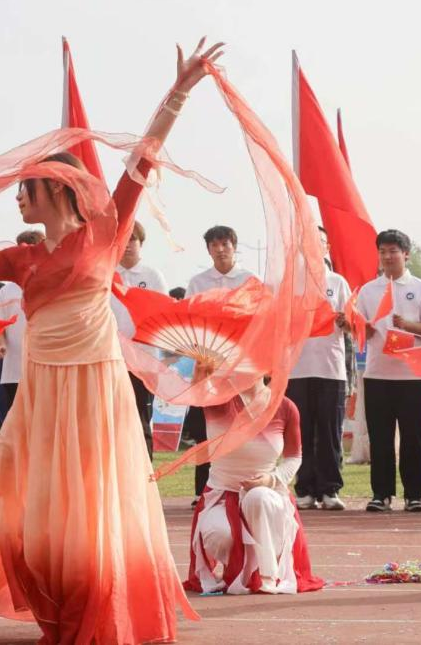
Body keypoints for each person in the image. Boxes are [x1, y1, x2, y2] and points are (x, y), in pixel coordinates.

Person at [0, 39, 221, 640]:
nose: (16, 198)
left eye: (25, 189)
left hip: (98, 393)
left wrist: (180, 91)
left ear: (57, 188)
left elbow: (143, 159)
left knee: (92, 507)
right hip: (40, 394)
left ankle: (92, 602)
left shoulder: (105, 232)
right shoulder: (20, 257)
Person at [184, 391, 323, 595]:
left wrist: (271, 479)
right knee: (220, 534)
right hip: (222, 496)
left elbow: (294, 457)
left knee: (258, 498)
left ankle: (267, 575)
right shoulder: (216, 400)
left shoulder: (285, 406)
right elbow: (195, 389)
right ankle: (239, 572)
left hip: (268, 495)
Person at [357, 229, 421, 513]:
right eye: (383, 252)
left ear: (406, 254)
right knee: (380, 437)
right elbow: (361, 330)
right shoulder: (368, 290)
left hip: (411, 374)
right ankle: (381, 494)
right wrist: (362, 328)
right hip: (377, 374)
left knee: (412, 436)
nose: (388, 257)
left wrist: (407, 326)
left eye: (393, 251)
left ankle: (414, 495)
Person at [184, 224, 259, 499]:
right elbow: (187, 321)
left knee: (242, 425)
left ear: (234, 247)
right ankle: (203, 490)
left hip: (242, 365)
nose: (220, 250)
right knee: (206, 428)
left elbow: (260, 321)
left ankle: (244, 486)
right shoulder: (198, 282)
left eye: (225, 244)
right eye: (214, 245)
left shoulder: (250, 280)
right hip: (208, 366)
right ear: (208, 250)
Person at [287, 226, 351, 511]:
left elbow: (352, 323)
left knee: (329, 431)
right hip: (297, 368)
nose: (314, 246)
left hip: (330, 368)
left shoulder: (337, 282)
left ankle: (330, 489)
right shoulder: (291, 282)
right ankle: (304, 488)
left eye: (320, 242)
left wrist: (344, 321)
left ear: (327, 248)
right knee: (300, 431)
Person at [111, 219, 168, 459]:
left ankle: (145, 472)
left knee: (140, 418)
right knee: (113, 418)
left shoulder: (152, 275)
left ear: (141, 243)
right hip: (112, 358)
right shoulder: (106, 274)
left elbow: (164, 314)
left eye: (132, 239)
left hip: (144, 360)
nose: (127, 245)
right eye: (123, 240)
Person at [0, 230, 42, 412]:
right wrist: (1, 345)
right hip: (14, 369)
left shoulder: (54, 283)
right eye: (21, 252)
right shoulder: (7, 290)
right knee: (17, 418)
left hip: (46, 368)